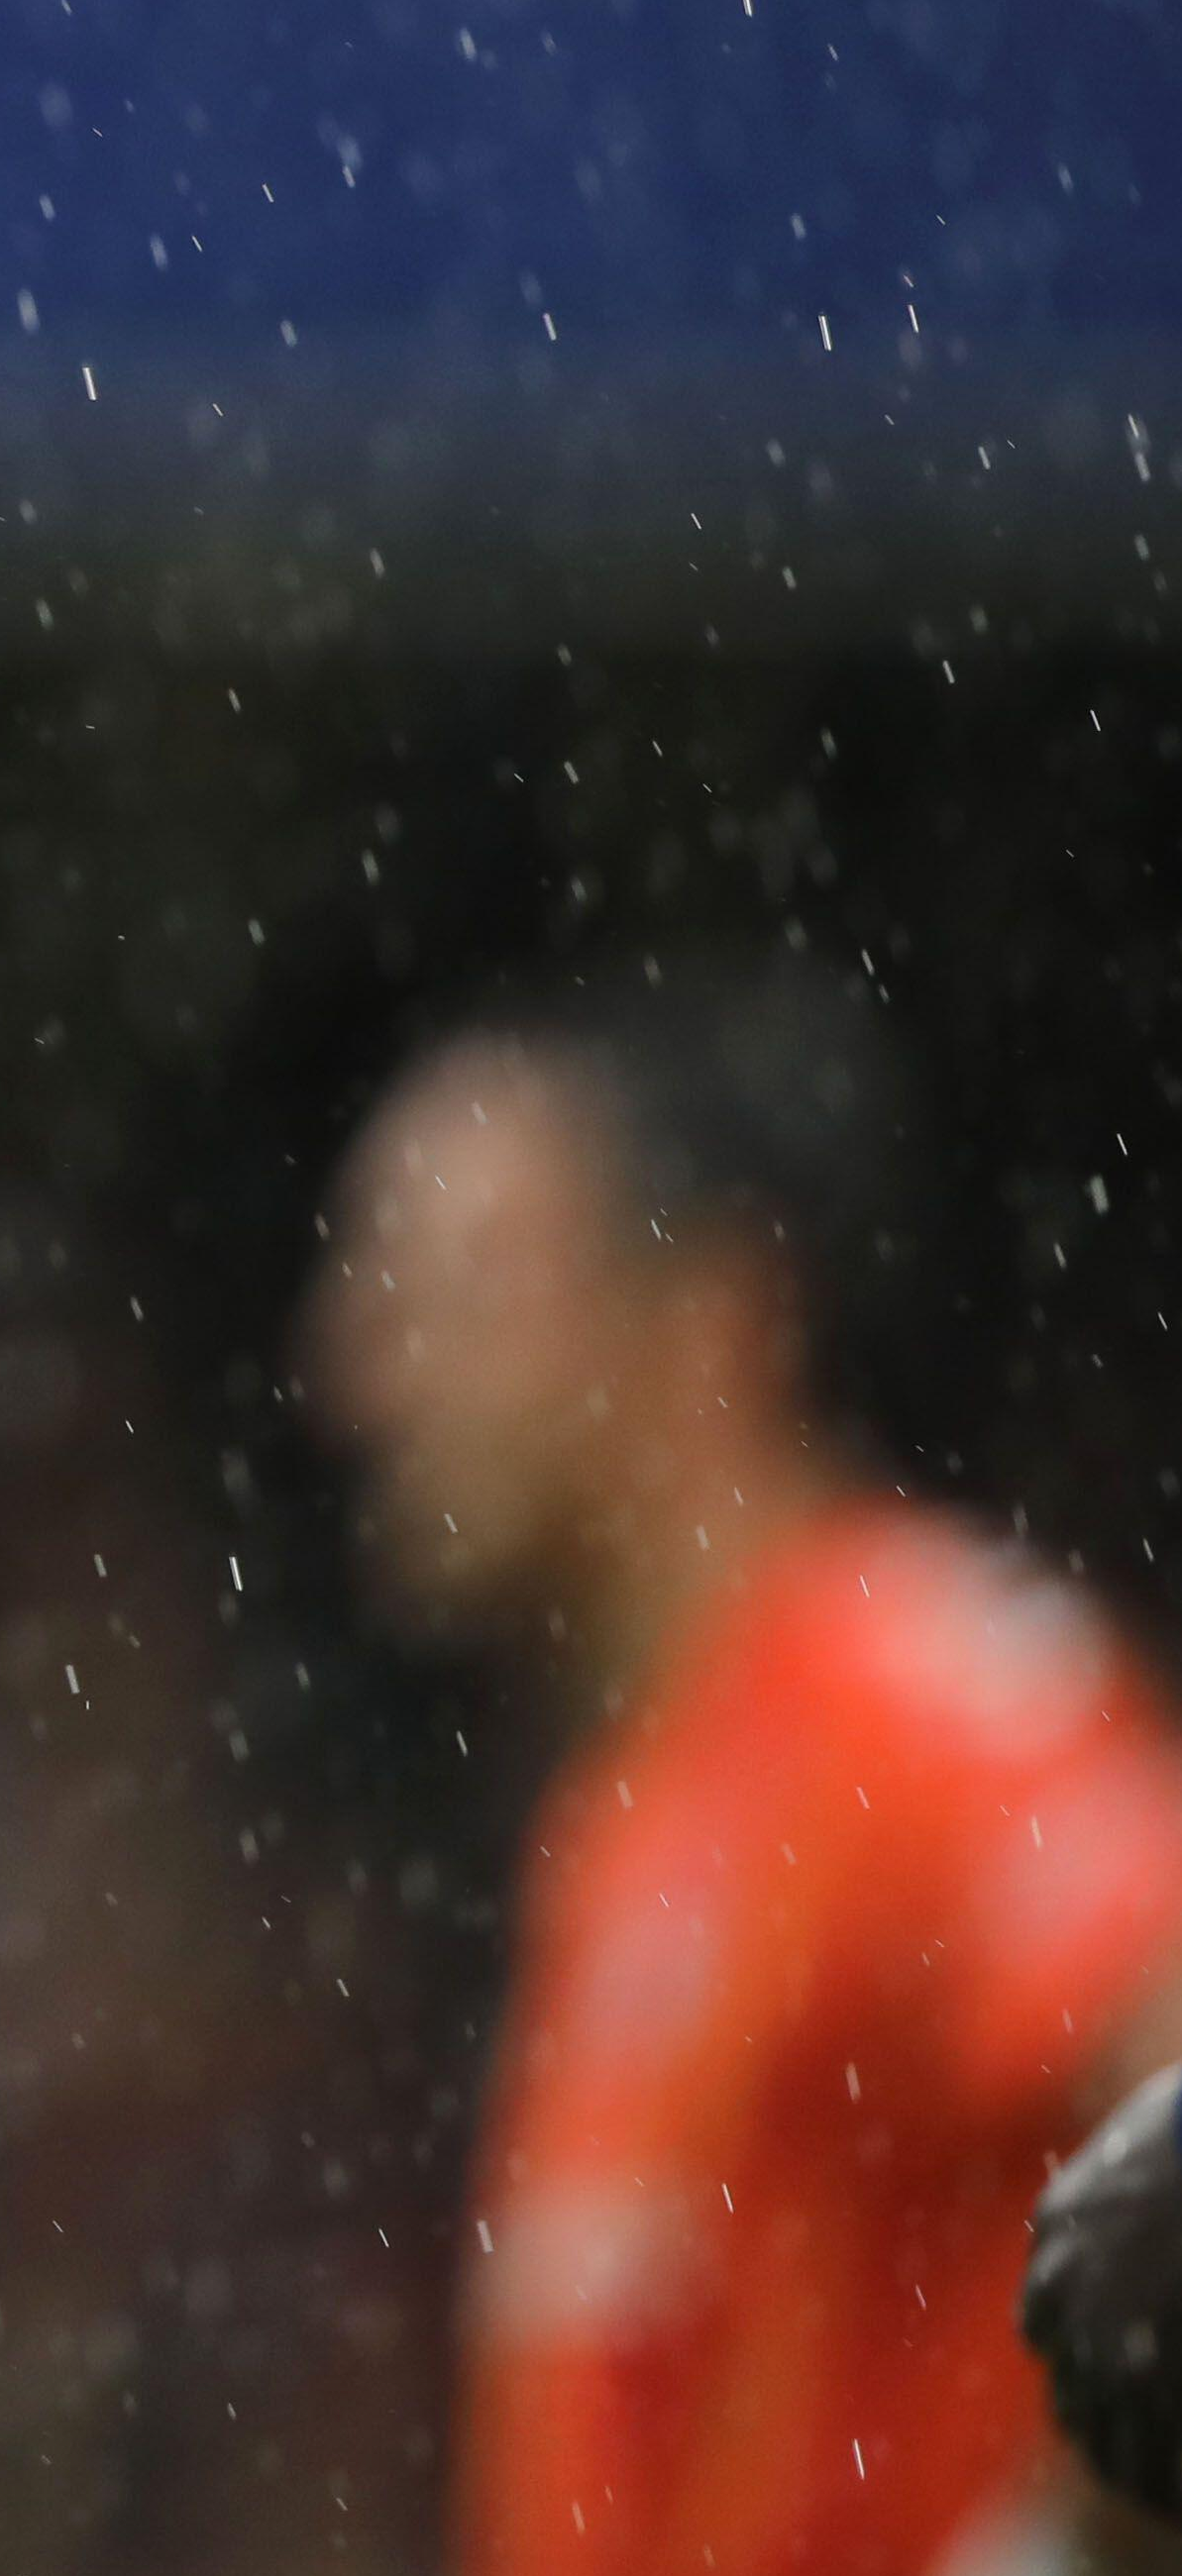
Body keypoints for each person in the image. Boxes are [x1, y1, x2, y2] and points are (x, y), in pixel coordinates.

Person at [304, 967, 1182, 2576]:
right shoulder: (629, 1807)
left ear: (712, 1320)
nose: (361, 1375)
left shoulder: (907, 1690)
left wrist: (1061, 2553)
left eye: (452, 1293)